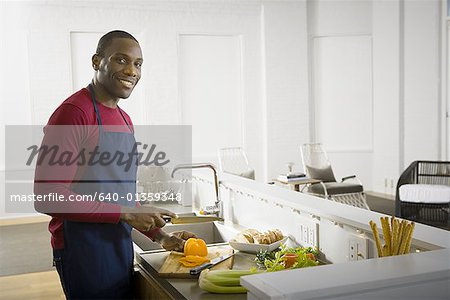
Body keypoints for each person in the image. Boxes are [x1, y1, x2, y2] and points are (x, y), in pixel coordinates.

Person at [34, 30, 195, 299]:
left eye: (138, 63)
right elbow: (46, 197)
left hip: (118, 245)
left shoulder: (124, 119)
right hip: (82, 250)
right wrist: (126, 214)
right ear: (97, 61)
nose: (132, 70)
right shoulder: (73, 112)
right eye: (121, 60)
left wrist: (161, 236)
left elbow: (122, 194)